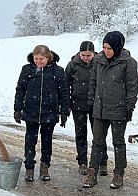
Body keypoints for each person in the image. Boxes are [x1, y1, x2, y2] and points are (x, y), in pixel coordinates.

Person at [83, 31, 138, 189]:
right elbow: (93, 82)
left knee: (118, 143)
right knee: (97, 142)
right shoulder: (98, 60)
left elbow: (132, 87)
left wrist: (129, 106)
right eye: (104, 47)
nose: (106, 51)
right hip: (99, 109)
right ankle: (92, 173)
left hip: (119, 109)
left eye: (109, 48)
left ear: (117, 47)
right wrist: (90, 101)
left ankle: (119, 173)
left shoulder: (129, 63)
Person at [14, 45, 69, 182]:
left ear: (48, 57)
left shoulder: (58, 71)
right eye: (36, 58)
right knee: (30, 141)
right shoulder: (27, 70)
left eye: (41, 59)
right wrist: (17, 108)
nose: (38, 61)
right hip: (31, 111)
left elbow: (64, 93)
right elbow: (20, 89)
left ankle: (45, 166)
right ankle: (29, 168)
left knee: (46, 141)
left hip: (49, 112)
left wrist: (64, 112)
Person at [65, 41, 107, 176]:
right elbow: (66, 84)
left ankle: (102, 161)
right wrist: (67, 103)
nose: (86, 58)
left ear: (94, 53)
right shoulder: (73, 65)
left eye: (89, 55)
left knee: (99, 135)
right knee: (81, 134)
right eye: (83, 55)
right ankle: (82, 161)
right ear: (79, 53)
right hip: (78, 104)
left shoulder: (99, 63)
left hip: (96, 105)